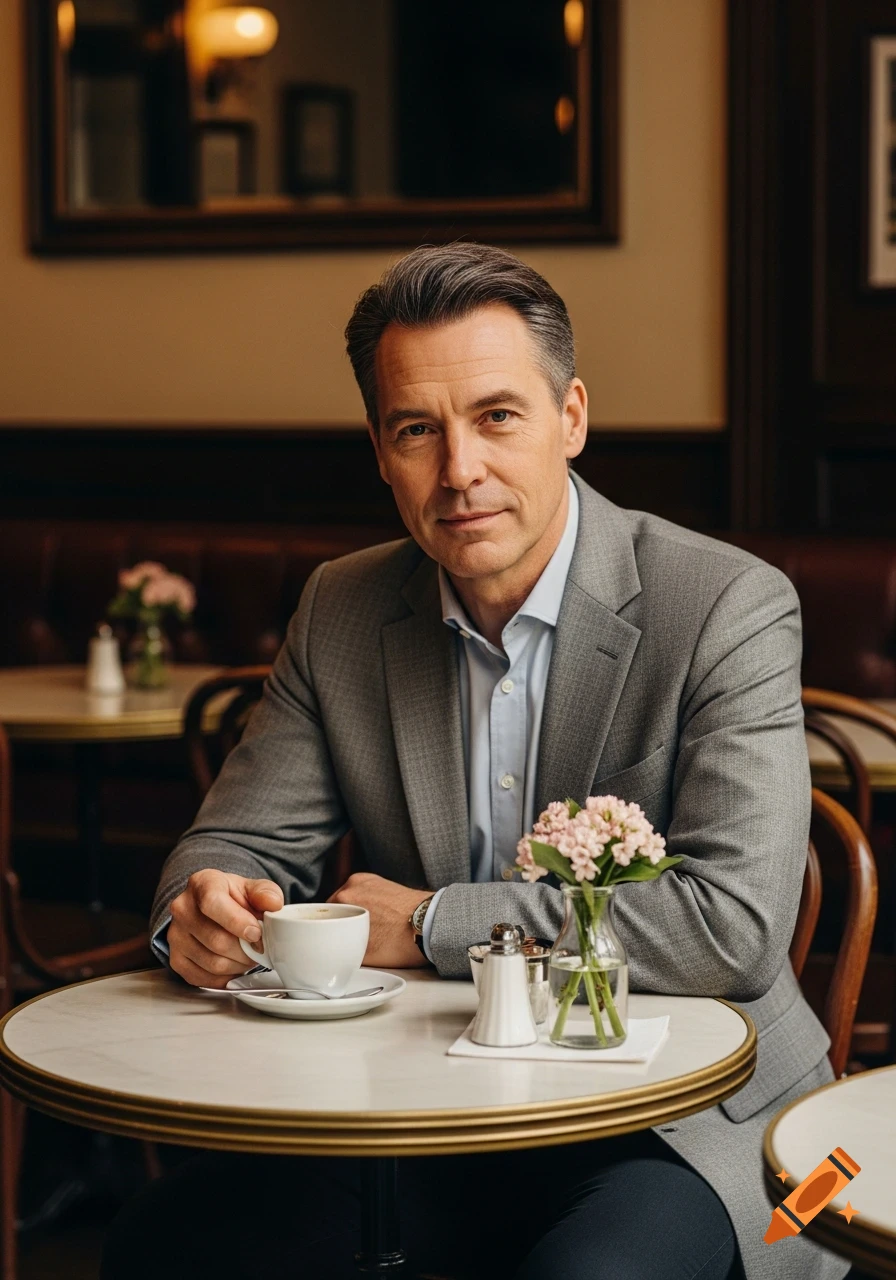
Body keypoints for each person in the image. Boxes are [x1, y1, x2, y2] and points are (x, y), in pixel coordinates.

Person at [102, 243, 848, 1280]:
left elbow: (730, 926)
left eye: (497, 415)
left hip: (686, 1120)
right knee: (165, 1245)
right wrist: (197, 902)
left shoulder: (723, 603)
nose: (459, 470)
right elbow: (232, 841)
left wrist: (433, 920)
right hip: (427, 1102)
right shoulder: (343, 608)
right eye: (417, 429)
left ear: (570, 418)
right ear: (378, 447)